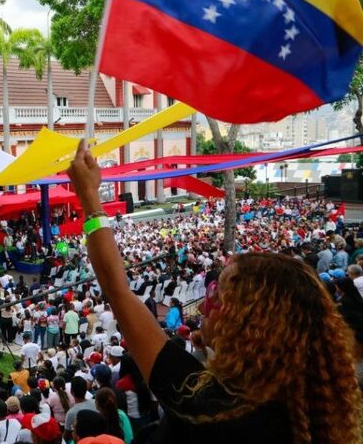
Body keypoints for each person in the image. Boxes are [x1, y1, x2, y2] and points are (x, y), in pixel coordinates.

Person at [67, 139, 362, 444]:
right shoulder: (310, 416)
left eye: (218, 297)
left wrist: (90, 200)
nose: (206, 306)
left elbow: (117, 290)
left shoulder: (204, 405)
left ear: (249, 322)